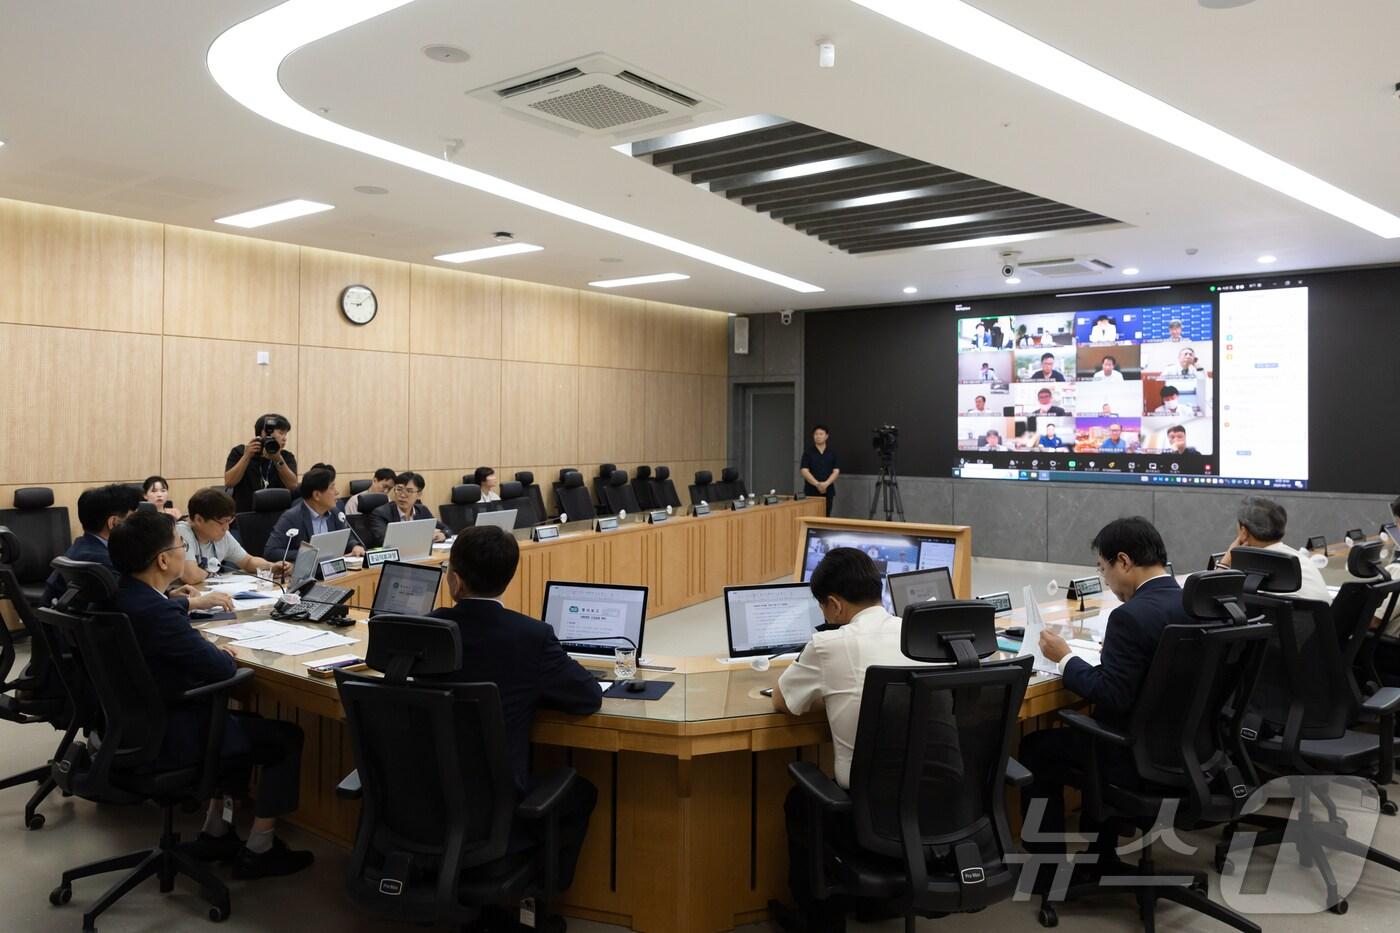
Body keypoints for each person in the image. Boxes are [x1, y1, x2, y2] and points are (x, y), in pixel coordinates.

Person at [105, 511, 313, 879]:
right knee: (284, 738)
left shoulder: (123, 597)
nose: (184, 551)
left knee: (237, 726)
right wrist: (220, 655)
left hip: (129, 732)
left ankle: (216, 830)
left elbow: (157, 612)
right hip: (173, 735)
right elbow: (221, 670)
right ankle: (260, 849)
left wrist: (186, 602)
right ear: (164, 560)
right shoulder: (158, 615)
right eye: (181, 545)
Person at [771, 548, 938, 931]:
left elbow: (784, 701)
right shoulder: (919, 634)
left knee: (802, 801)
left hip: (870, 820)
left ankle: (821, 922)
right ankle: (874, 905)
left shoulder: (829, 645)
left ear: (834, 605)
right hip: (939, 808)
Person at [429, 526, 600, 892]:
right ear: (508, 577)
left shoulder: (425, 630)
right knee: (580, 792)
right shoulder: (531, 636)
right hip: (496, 811)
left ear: (455, 581)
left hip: (420, 801)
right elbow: (588, 697)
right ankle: (535, 900)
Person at [1019, 517, 1191, 873]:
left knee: (1036, 748)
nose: (1106, 580)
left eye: (1104, 569)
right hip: (1188, 753)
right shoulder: (1191, 604)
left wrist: (1065, 658)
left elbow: (1112, 695)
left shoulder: (1130, 617)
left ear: (1124, 562)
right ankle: (1101, 850)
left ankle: (1045, 871)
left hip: (1134, 758)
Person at [41, 484, 232, 614]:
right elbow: (140, 606)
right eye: (134, 518)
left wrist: (168, 595)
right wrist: (193, 603)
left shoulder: (82, 547)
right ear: (114, 523)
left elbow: (134, 597)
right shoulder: (105, 562)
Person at [1215, 496, 1331, 602]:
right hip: (1319, 623)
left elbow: (1212, 595)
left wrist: (1227, 559)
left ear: (1244, 532)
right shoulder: (1301, 560)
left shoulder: (1256, 567)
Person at [175, 488, 292, 584]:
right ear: (198, 519)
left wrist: (272, 566)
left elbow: (247, 561)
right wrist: (212, 573)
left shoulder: (222, 535)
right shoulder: (181, 532)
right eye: (222, 522)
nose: (227, 528)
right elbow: (191, 576)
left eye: (229, 522)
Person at [263, 467, 363, 559]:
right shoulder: (292, 517)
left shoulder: (335, 513)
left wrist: (355, 546)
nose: (337, 492)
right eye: (332, 488)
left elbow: (348, 538)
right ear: (317, 495)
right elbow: (270, 552)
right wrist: (309, 554)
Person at [223, 414, 298, 514]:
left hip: (278, 516)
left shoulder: (286, 456)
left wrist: (278, 459)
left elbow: (293, 486)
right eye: (281, 433)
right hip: (245, 516)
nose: (284, 438)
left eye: (285, 434)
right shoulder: (240, 452)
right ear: (264, 433)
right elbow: (229, 482)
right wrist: (247, 456)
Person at [367, 471, 449, 545]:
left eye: (409, 491)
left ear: (419, 494)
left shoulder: (422, 510)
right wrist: (424, 536)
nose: (402, 495)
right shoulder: (381, 513)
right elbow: (384, 540)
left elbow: (447, 529)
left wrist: (443, 534)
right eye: (399, 489)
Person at [800, 425, 840, 517]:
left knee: (826, 515)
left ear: (826, 436)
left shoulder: (832, 453)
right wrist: (817, 484)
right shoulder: (808, 452)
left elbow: (836, 471)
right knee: (811, 515)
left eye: (821, 434)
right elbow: (804, 470)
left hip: (828, 490)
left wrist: (826, 483)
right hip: (811, 490)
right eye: (816, 434)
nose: (818, 436)